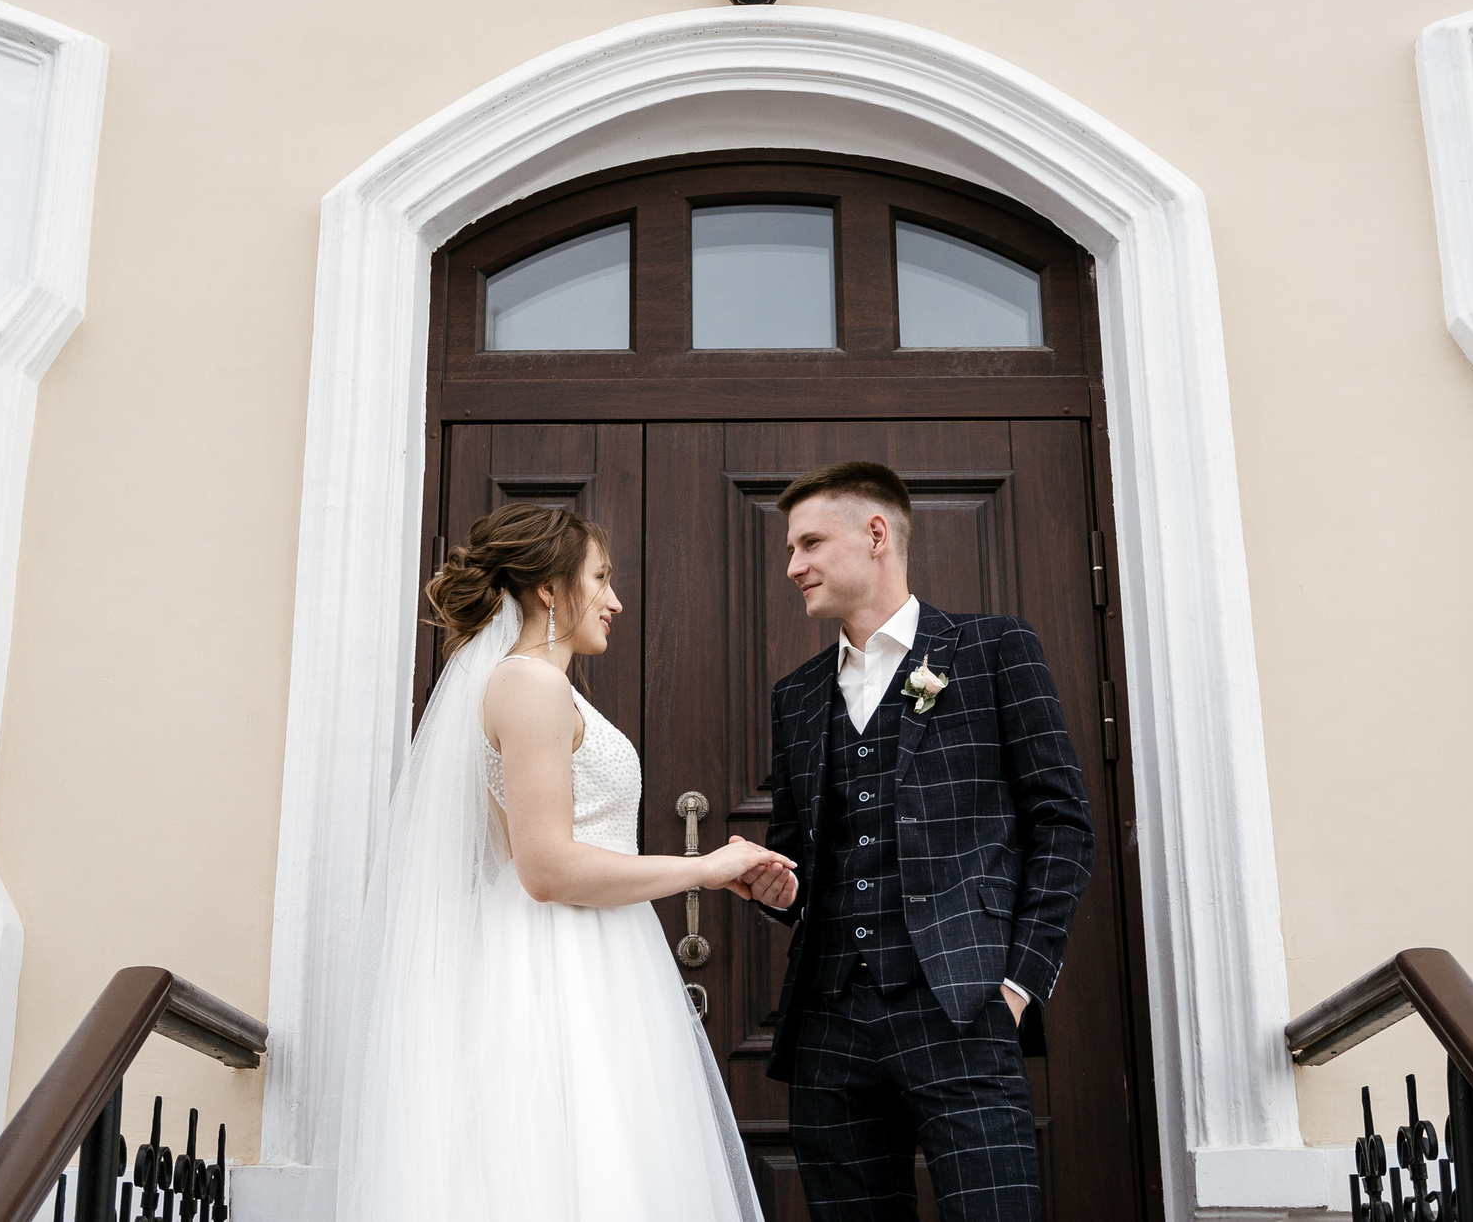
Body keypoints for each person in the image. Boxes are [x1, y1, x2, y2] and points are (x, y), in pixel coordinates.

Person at [336, 501, 787, 1222]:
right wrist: (700, 868)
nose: (614, 600)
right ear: (549, 588)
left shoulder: (543, 685)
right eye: (600, 578)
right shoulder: (530, 683)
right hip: (559, 963)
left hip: (600, 952)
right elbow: (544, 867)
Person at [741, 461, 1094, 1222]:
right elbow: (797, 848)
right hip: (829, 1026)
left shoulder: (995, 650)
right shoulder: (797, 696)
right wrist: (780, 886)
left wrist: (1019, 985)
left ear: (875, 534)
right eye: (789, 548)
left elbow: (1063, 824)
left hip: (964, 1009)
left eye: (808, 542)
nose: (792, 565)